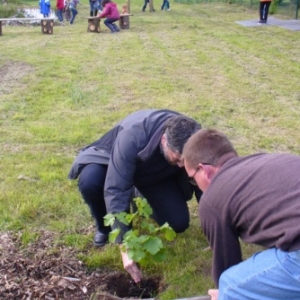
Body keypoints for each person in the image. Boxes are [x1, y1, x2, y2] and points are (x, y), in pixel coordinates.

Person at [68, 109, 202, 283]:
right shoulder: (133, 137)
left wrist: (216, 224)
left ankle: (139, 192)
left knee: (178, 223)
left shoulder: (194, 137)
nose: (180, 166)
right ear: (164, 141)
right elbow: (115, 189)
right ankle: (104, 228)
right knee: (90, 181)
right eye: (176, 159)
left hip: (150, 174)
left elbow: (205, 184)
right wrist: (125, 248)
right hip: (111, 158)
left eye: (184, 161)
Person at [182, 128, 300, 300]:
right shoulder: (266, 160)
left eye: (192, 178)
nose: (195, 183)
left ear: (204, 170)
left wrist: (225, 294)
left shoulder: (211, 200)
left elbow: (226, 264)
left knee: (230, 285)